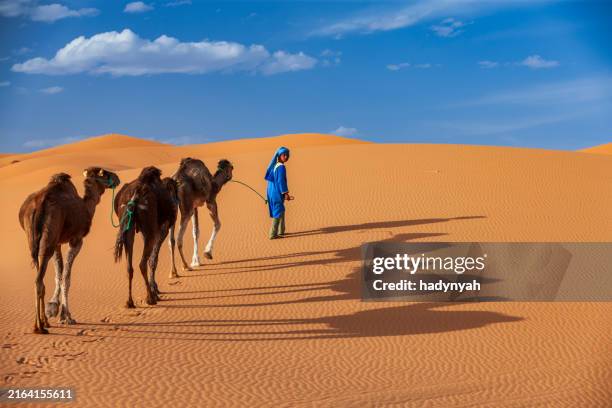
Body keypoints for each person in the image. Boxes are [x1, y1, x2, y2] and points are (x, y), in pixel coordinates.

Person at [264, 146, 293, 239]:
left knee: (281, 210)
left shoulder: (274, 166)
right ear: (279, 156)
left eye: (287, 155)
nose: (286, 156)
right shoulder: (280, 167)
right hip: (276, 193)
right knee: (278, 211)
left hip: (272, 192)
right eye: (284, 155)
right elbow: (281, 181)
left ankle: (281, 231)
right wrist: (285, 194)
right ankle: (272, 234)